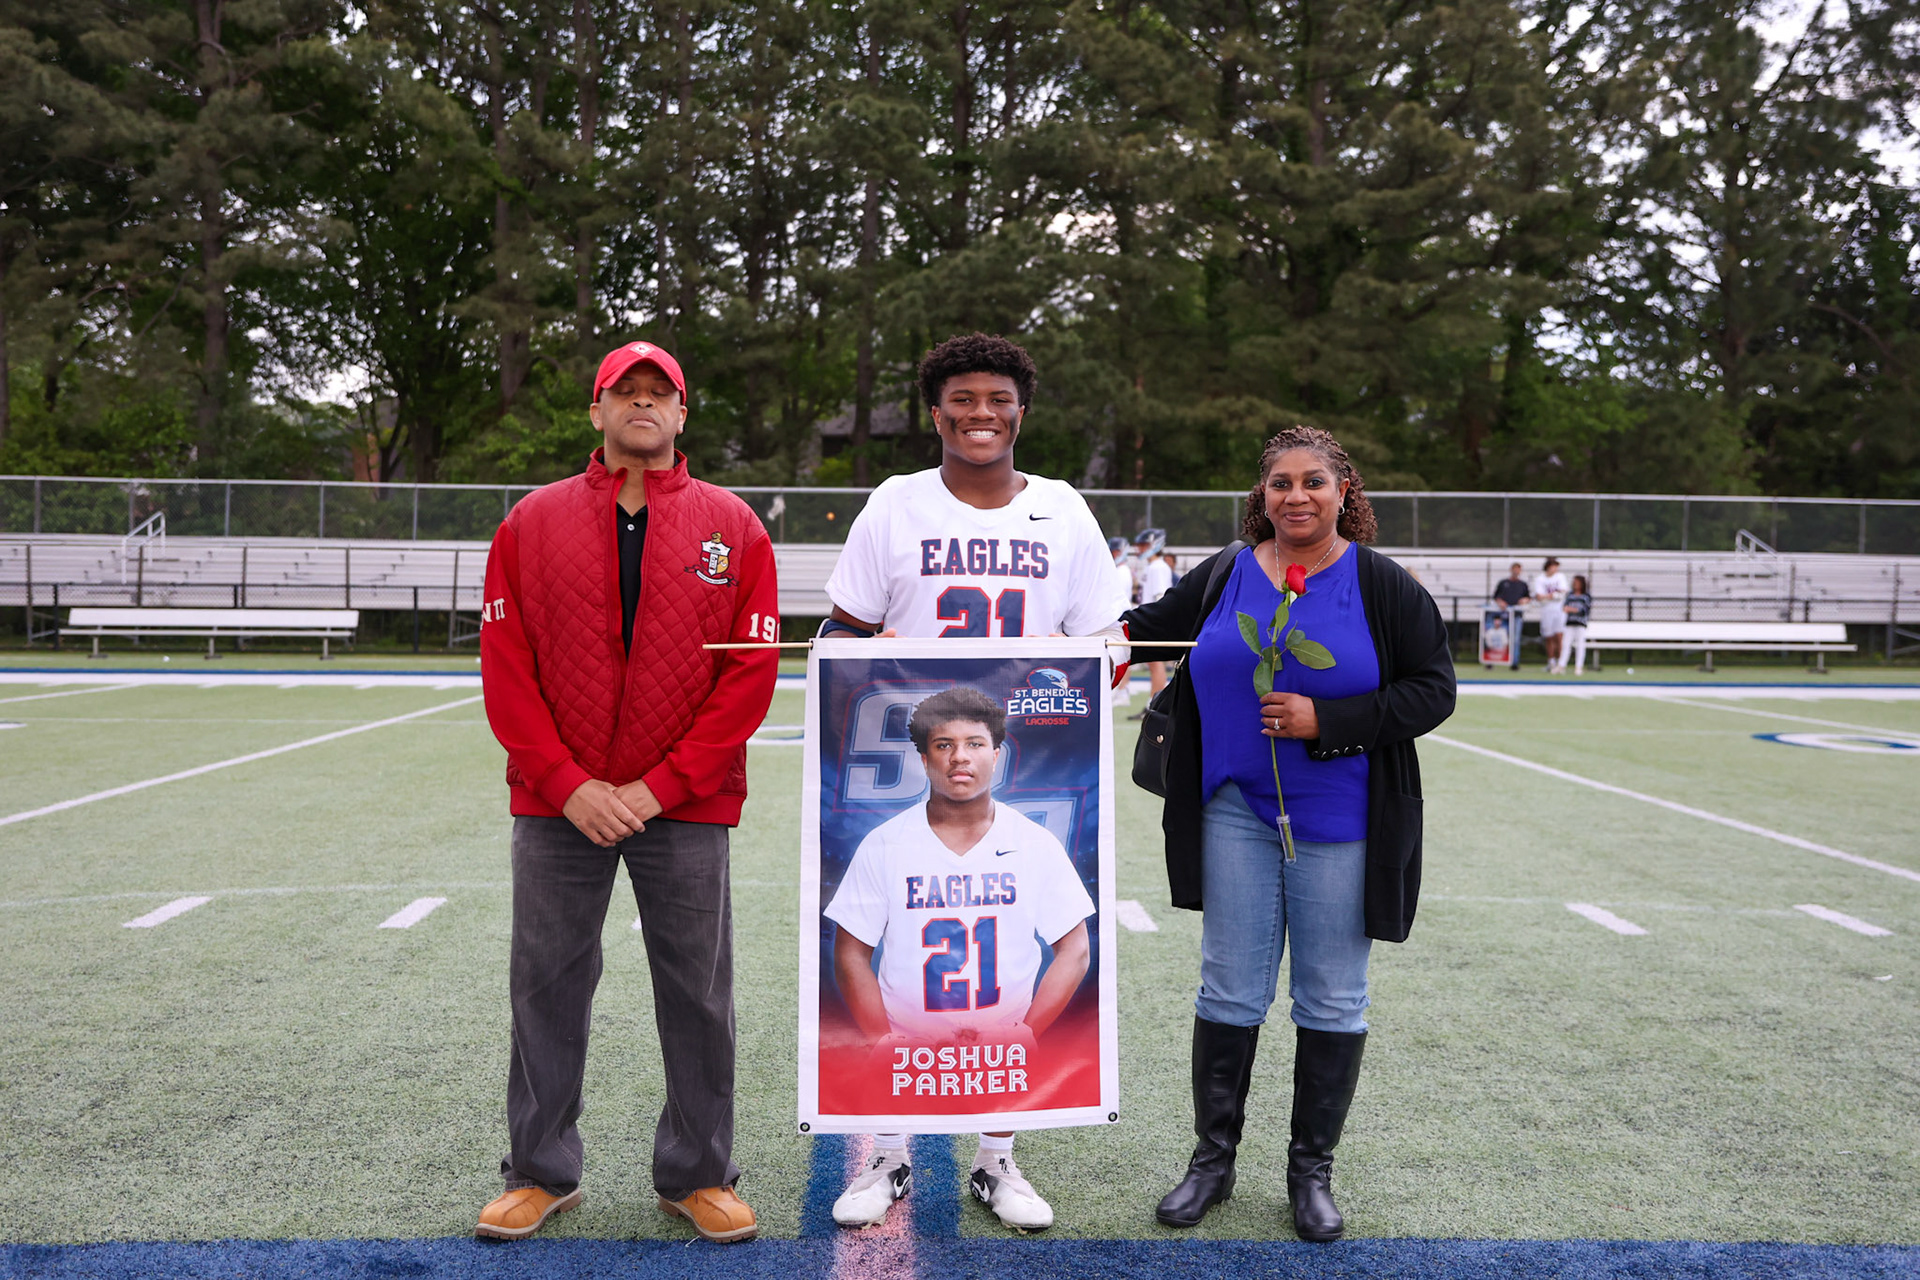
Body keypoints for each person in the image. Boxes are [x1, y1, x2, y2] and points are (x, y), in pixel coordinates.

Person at [821, 331, 1128, 1231]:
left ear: (1020, 410)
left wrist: (1077, 679)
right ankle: (890, 1154)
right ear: (936, 413)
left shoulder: (1063, 509)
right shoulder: (895, 503)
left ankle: (998, 1157)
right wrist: (859, 658)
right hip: (916, 756)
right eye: (962, 401)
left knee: (999, 957)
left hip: (1016, 756)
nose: (980, 415)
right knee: (910, 951)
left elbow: (1107, 640)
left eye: (997, 400)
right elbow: (842, 632)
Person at [476, 341, 780, 1245]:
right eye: (626, 392)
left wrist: (655, 788)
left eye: (661, 394)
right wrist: (568, 785)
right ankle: (540, 1171)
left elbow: (749, 679)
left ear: (683, 415)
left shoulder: (736, 527)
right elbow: (506, 668)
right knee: (547, 985)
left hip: (682, 802)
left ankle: (697, 1174)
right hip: (558, 802)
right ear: (597, 410)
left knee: (697, 991)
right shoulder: (529, 522)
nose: (642, 405)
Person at [1122, 425, 1456, 1242]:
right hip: (1234, 810)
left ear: (1346, 491)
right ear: (1260, 495)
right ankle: (1212, 1163)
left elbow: (1433, 691)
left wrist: (1328, 719)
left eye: (1313, 481)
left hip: (1341, 822)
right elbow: (1146, 628)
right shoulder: (1227, 572)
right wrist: (1067, 649)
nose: (1296, 496)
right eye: (1280, 483)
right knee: (1229, 990)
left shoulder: (1382, 586)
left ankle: (1311, 1173)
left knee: (1332, 998)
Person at [824, 687, 1093, 1147]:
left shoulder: (1033, 842)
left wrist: (1028, 1031)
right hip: (907, 1036)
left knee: (1001, 1097)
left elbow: (1075, 949)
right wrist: (880, 1039)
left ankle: (997, 1161)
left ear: (997, 755)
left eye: (974, 744)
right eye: (943, 745)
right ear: (925, 761)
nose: (959, 758)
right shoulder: (886, 843)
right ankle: (888, 1158)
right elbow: (851, 951)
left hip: (1001, 1034)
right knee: (891, 1102)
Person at [1135, 530, 1175, 712]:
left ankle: (1155, 702)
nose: (1140, 549)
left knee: (1155, 662)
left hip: (1154, 620)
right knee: (1152, 664)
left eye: (1144, 545)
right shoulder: (1152, 567)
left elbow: (1160, 595)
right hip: (1149, 618)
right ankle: (1152, 700)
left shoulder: (1158, 567)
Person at [1532, 558, 1570, 672]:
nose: (1556, 569)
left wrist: (1548, 596)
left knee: (1559, 636)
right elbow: (1539, 596)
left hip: (1559, 611)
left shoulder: (1560, 577)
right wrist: (1553, 595)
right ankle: (1551, 662)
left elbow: (1563, 592)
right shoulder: (1540, 579)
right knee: (1549, 637)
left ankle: (1561, 663)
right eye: (1554, 566)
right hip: (1546, 611)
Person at [1563, 575, 1592, 674]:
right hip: (1570, 623)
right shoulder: (1570, 595)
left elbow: (1584, 610)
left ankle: (1578, 667)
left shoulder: (1586, 596)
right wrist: (1574, 610)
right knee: (1566, 645)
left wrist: (1572, 610)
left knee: (1580, 645)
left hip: (1580, 624)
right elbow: (1564, 607)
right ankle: (1562, 665)